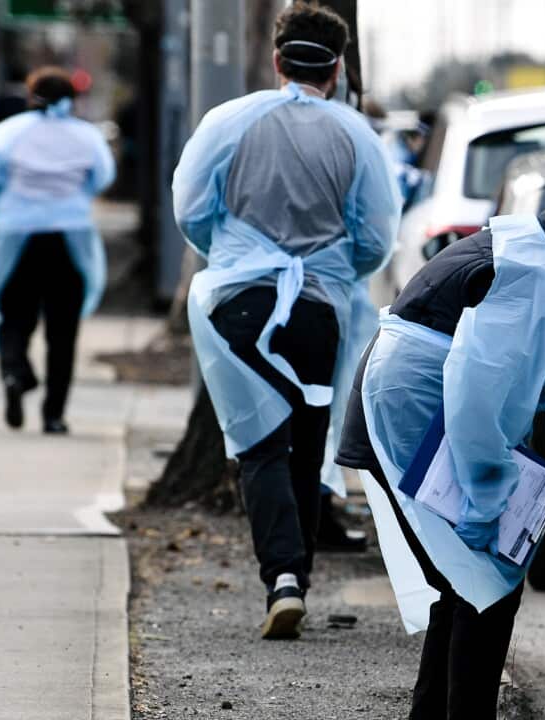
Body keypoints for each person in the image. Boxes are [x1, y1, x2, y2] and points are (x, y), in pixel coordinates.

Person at [336, 173, 545, 718]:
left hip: (414, 401)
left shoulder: (541, 261)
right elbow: (477, 396)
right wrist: (486, 499)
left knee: (463, 583)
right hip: (414, 408)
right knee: (483, 584)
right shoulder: (531, 278)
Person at [171, 2, 400, 640]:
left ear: (276, 59)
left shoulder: (229, 121)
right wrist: (332, 266)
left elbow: (190, 206)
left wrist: (233, 247)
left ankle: (282, 578)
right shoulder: (356, 136)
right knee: (306, 435)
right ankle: (296, 571)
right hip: (320, 305)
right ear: (336, 70)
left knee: (257, 443)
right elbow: (377, 236)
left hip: (239, 300)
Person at [0, 66, 115, 434]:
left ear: (31, 97)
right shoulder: (87, 136)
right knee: (63, 332)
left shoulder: (7, 135)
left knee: (13, 315)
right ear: (72, 100)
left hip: (16, 238)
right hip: (70, 239)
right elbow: (103, 177)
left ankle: (15, 372)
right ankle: (54, 415)